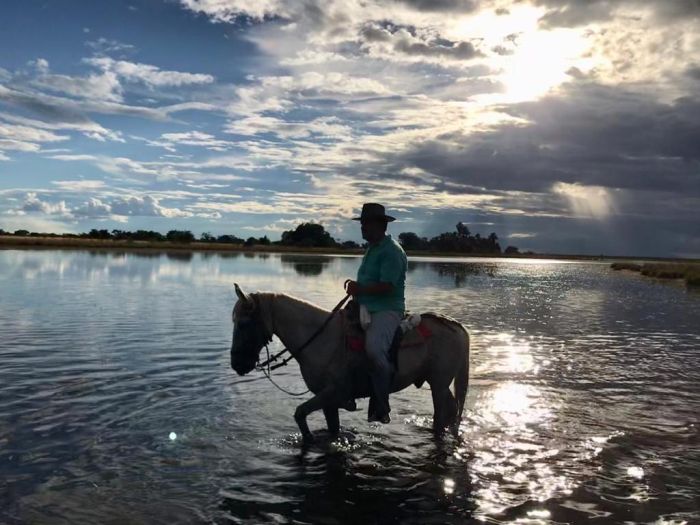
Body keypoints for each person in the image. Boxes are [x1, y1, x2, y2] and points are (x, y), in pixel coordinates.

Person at [345, 203, 407, 424]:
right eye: (362, 224)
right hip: (366, 306)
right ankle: (345, 391)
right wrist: (357, 291)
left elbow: (387, 287)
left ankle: (381, 405)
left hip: (387, 309)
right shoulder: (372, 248)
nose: (363, 228)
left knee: (373, 350)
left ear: (380, 225)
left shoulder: (392, 251)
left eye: (367, 224)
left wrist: (358, 289)